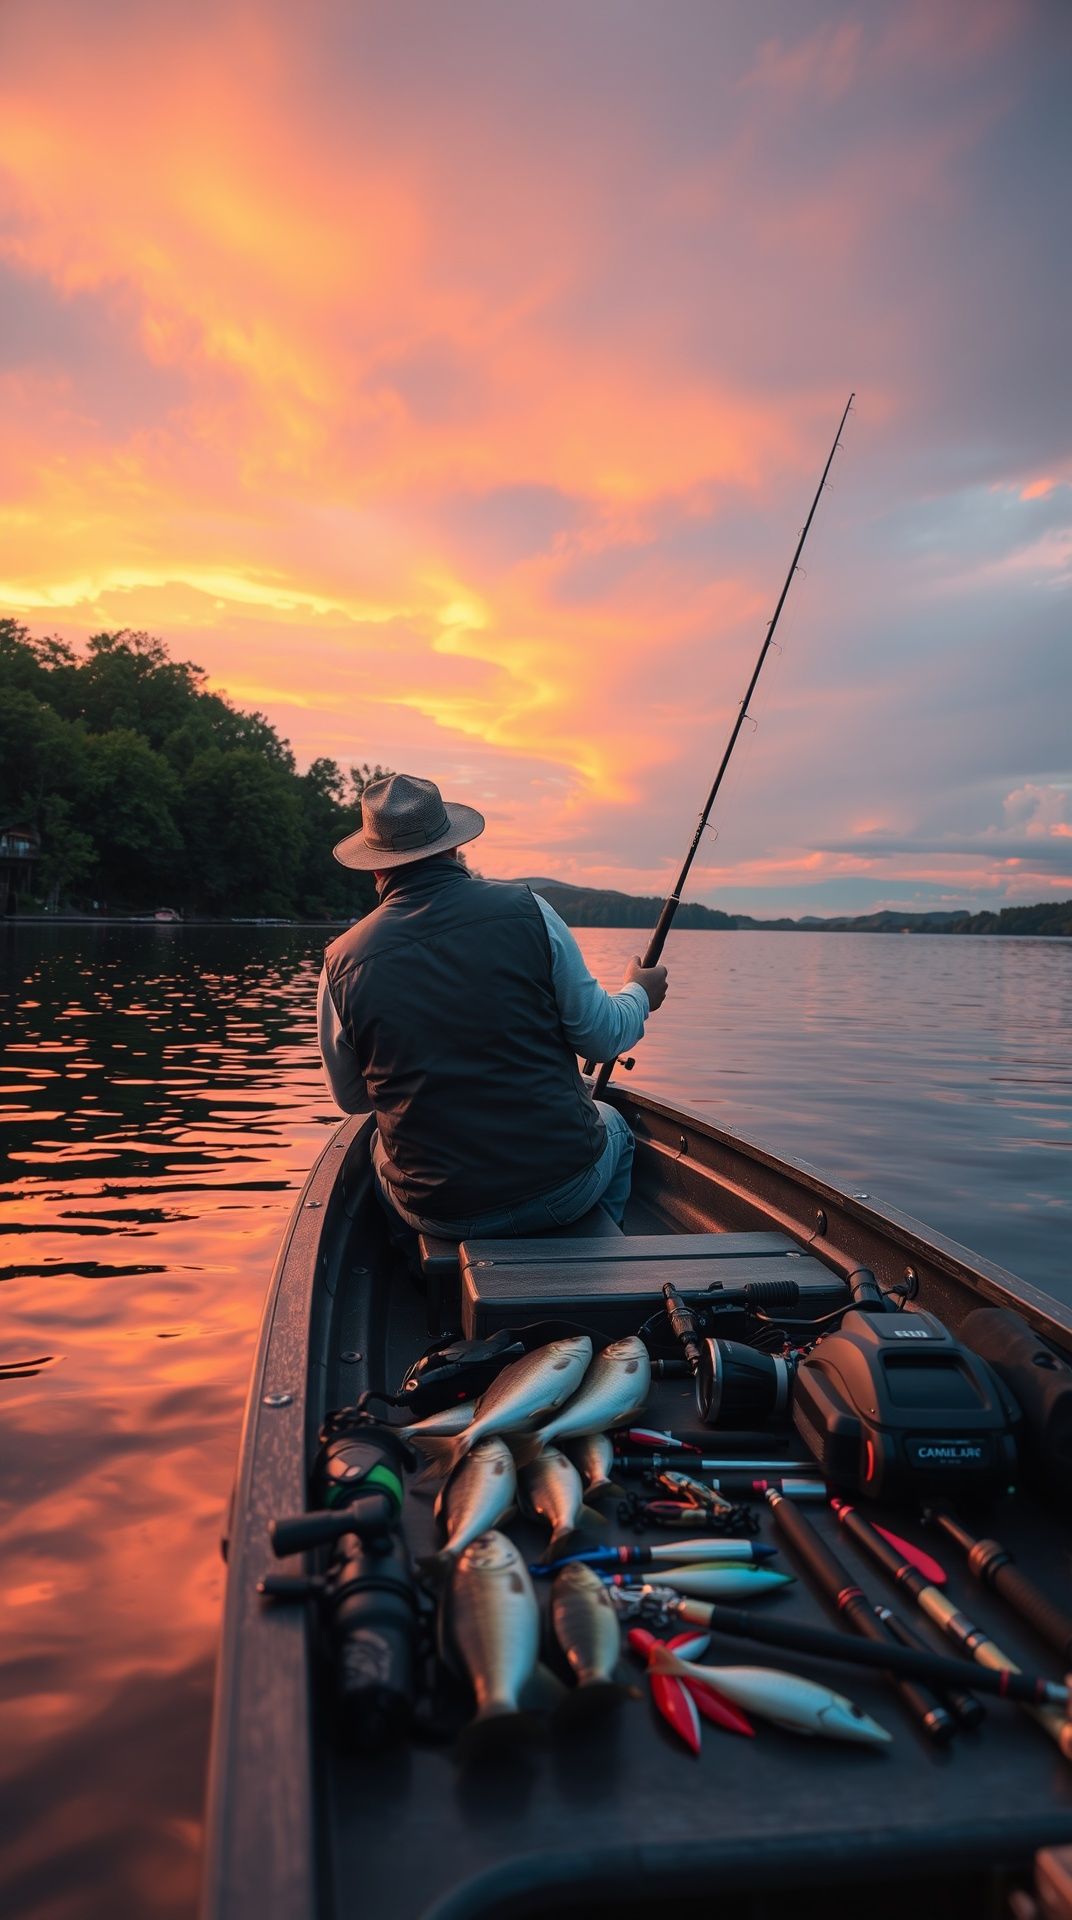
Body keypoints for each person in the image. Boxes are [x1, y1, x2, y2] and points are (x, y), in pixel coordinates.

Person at [317, 773, 668, 1245]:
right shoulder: (530, 911)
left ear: (376, 869)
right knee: (614, 1126)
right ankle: (600, 1263)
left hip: (440, 1212)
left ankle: (418, 1276)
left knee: (374, 1148)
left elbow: (355, 1099)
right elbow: (602, 1038)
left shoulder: (340, 961)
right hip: (562, 1189)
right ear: (453, 849)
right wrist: (639, 993)